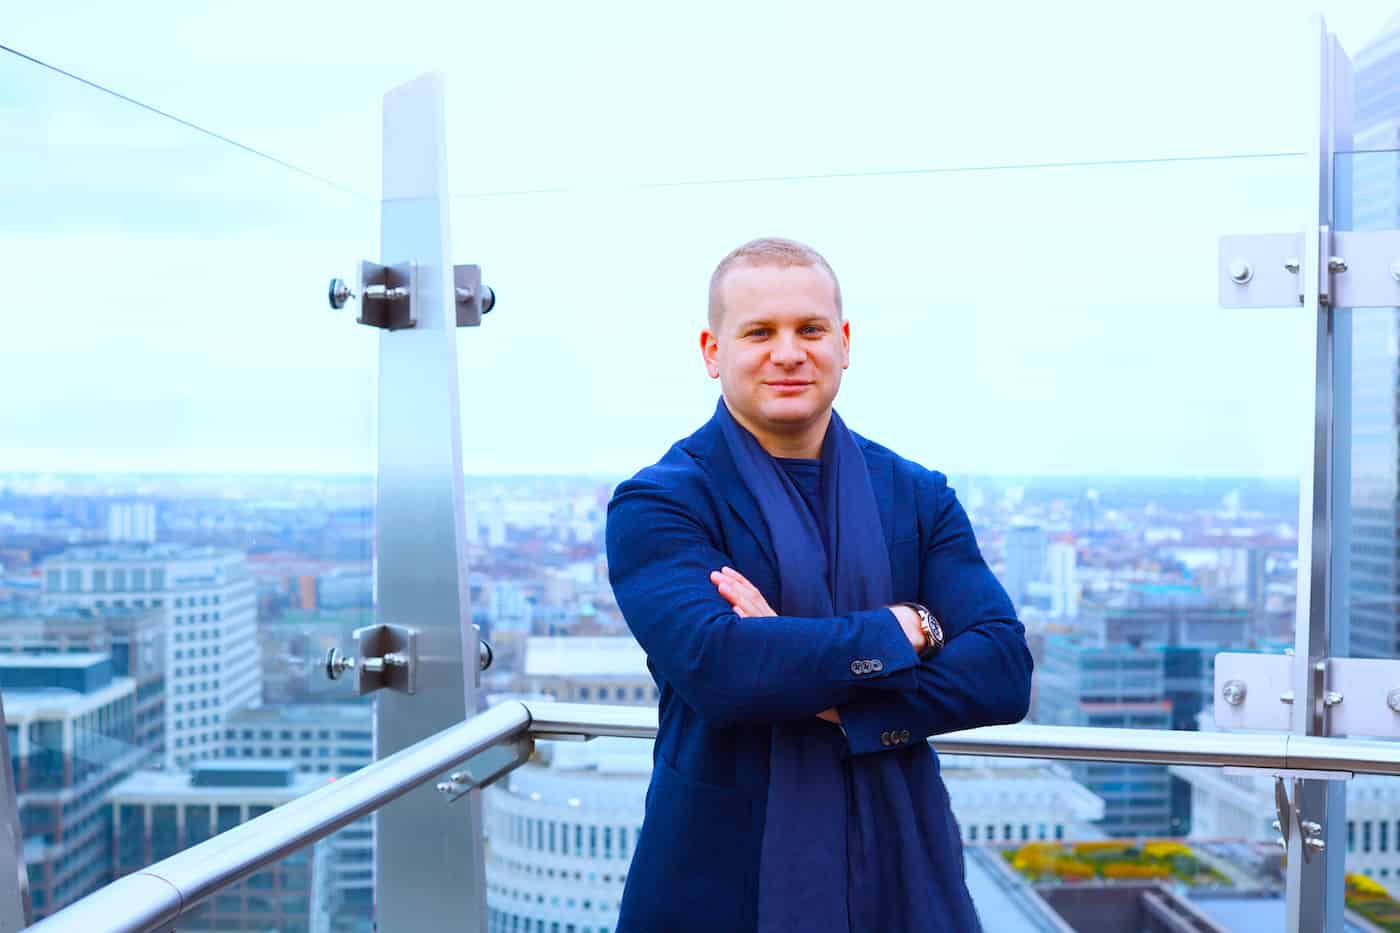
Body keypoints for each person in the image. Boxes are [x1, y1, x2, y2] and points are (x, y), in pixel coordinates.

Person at [605, 237, 1033, 933]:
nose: (788, 353)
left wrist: (810, 675)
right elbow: (724, 671)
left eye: (810, 329)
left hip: (902, 877)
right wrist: (908, 628)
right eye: (759, 332)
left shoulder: (917, 496)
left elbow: (1004, 673)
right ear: (713, 351)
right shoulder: (663, 503)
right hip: (721, 876)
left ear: (844, 343)